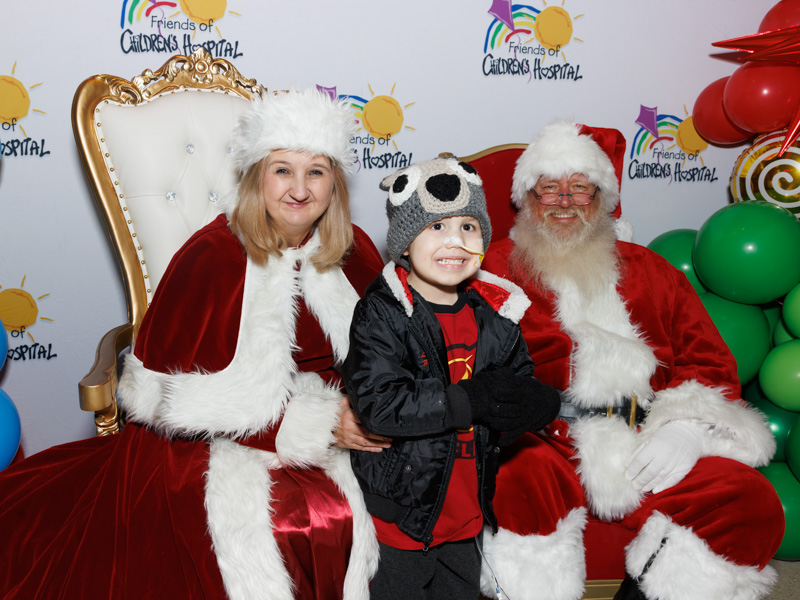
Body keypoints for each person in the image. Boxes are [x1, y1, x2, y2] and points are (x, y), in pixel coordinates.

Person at [0, 89, 387, 600]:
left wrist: (374, 410)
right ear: (256, 176)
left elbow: (391, 356)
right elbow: (170, 399)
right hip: (210, 443)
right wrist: (316, 422)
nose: (299, 188)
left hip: (344, 423)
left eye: (315, 171)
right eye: (282, 170)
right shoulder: (210, 256)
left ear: (334, 180)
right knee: (309, 519)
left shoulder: (354, 251)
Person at [479, 119, 786, 600]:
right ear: (526, 200)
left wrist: (686, 427)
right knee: (517, 482)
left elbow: (707, 360)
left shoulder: (652, 271)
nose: (564, 201)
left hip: (646, 438)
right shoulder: (492, 270)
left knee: (750, 502)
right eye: (549, 189)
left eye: (580, 189)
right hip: (542, 437)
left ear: (601, 200)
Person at [342, 158, 561, 599]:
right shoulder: (384, 312)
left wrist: (537, 404)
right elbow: (381, 406)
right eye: (436, 228)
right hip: (402, 514)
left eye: (468, 227)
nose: (455, 242)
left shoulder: (497, 313)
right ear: (404, 244)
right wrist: (469, 401)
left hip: (467, 510)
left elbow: (514, 386)